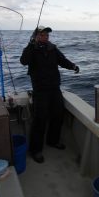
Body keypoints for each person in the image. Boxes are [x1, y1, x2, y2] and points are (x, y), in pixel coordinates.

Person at [20, 26, 79, 163]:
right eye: (42, 35)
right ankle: (36, 150)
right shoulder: (31, 50)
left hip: (54, 88)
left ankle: (53, 141)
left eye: (47, 35)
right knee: (40, 120)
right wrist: (30, 44)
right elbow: (23, 61)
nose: (45, 37)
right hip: (40, 90)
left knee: (58, 115)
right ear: (36, 36)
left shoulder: (52, 48)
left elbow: (62, 60)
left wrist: (73, 66)